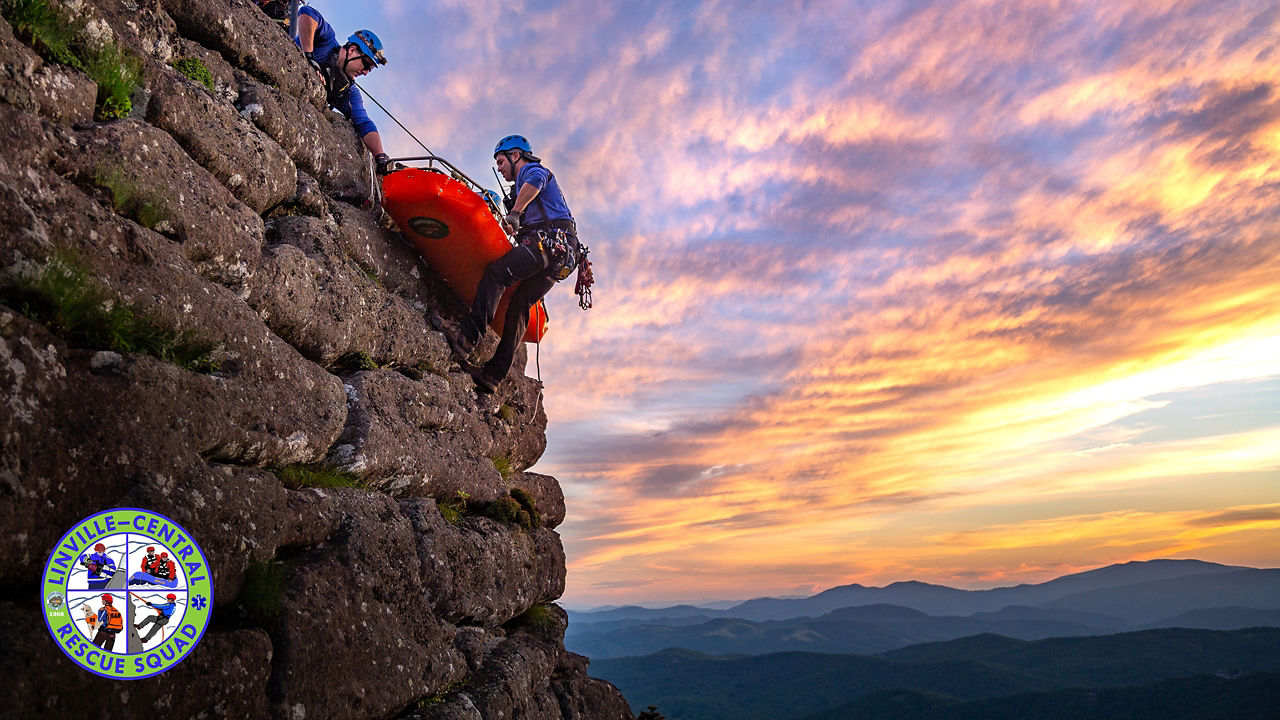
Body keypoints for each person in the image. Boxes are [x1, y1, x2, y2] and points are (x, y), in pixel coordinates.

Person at [444, 135, 579, 392]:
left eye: (501, 160)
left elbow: (536, 182)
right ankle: (492, 376)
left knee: (497, 273)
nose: (499, 167)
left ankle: (466, 338)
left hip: (548, 242)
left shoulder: (532, 171)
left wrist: (515, 213)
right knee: (520, 305)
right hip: (562, 255)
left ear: (516, 155)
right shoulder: (526, 190)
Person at [294, 7, 392, 174]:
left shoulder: (348, 91)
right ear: (352, 50)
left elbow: (364, 123)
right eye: (367, 64)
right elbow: (306, 13)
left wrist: (380, 156)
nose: (366, 72)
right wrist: (309, 56)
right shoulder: (326, 41)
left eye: (370, 69)